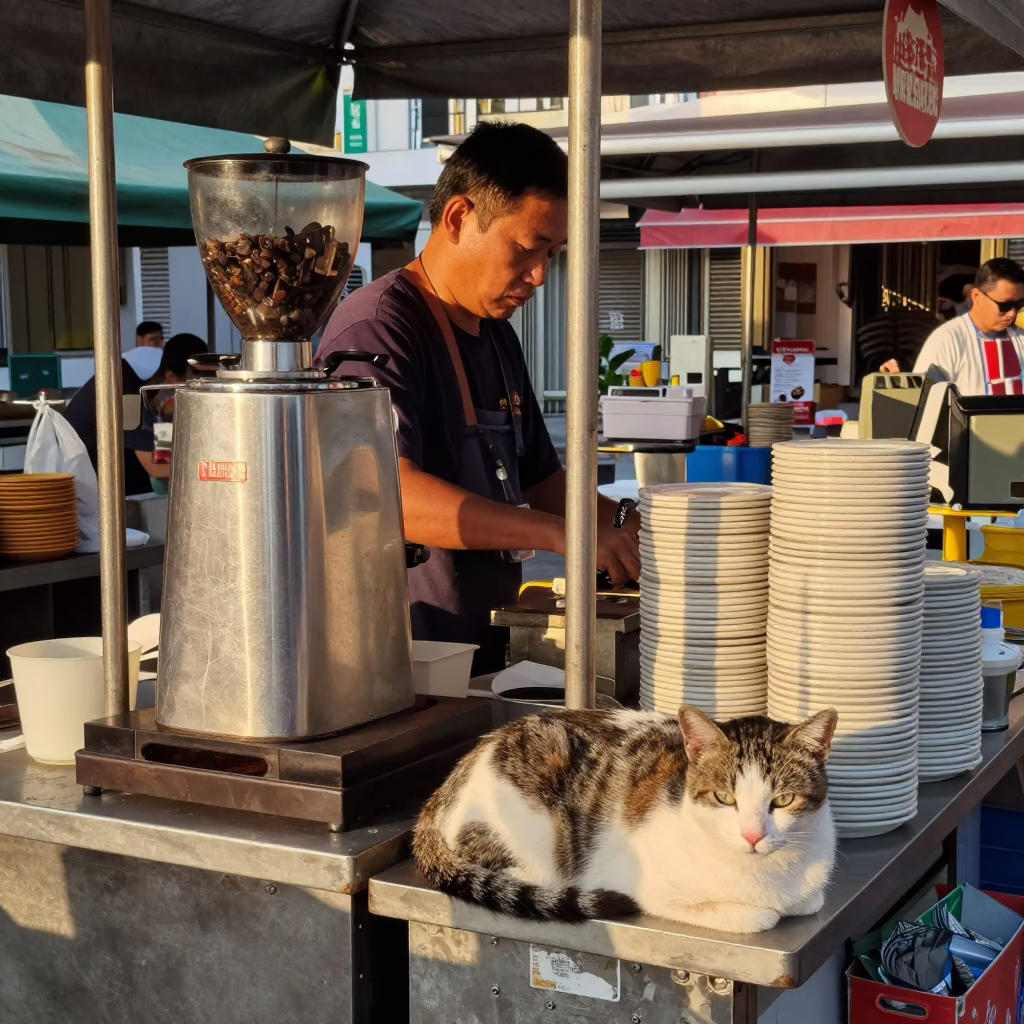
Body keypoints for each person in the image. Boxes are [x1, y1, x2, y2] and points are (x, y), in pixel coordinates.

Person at [318, 121, 641, 673]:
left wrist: (624, 524)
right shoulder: (378, 328)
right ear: (459, 218)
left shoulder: (496, 335)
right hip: (403, 658)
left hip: (488, 649)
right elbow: (385, 491)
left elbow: (541, 478)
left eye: (553, 254)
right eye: (527, 248)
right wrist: (563, 536)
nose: (539, 276)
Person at [63, 333, 207, 495]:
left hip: (110, 474)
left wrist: (168, 418)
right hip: (85, 484)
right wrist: (212, 469)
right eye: (193, 383)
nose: (196, 392)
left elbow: (163, 455)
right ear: (170, 375)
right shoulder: (128, 397)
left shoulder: (155, 390)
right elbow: (158, 469)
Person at [880, 258, 1024, 396]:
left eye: (1018, 305)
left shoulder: (1020, 339)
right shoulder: (947, 338)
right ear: (977, 296)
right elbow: (922, 397)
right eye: (1004, 306)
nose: (1012, 313)